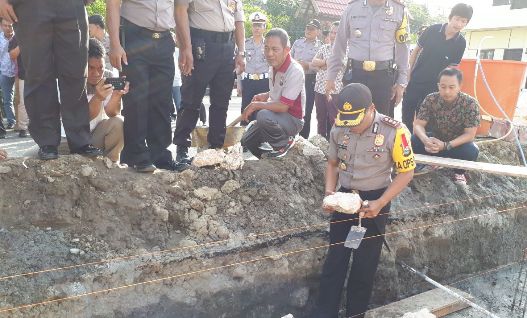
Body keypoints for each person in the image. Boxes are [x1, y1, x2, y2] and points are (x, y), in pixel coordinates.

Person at [314, 83, 415, 318]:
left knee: (364, 264)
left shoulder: (395, 131)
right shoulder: (341, 126)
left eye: (357, 120)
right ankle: (325, 313)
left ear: (371, 109)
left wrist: (380, 203)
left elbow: (406, 172)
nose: (353, 127)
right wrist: (330, 195)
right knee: (335, 259)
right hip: (344, 197)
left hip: (375, 201)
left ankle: (355, 313)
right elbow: (332, 164)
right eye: (347, 120)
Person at [0, 0, 102, 160]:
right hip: (30, 6)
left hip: (71, 6)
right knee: (38, 73)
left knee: (75, 72)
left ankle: (80, 141)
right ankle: (47, 142)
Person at [173, 0, 246, 170]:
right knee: (191, 101)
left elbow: (238, 20)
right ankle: (182, 149)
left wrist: (241, 52)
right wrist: (186, 48)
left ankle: (216, 148)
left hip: (227, 46)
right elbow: (180, 10)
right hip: (200, 44)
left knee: (221, 102)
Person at [107, 0, 177, 172]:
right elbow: (113, 4)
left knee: (162, 101)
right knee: (137, 100)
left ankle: (160, 155)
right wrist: (115, 44)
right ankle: (136, 155)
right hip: (134, 35)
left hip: (164, 38)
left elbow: (181, 9)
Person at [326, 0, 410, 118]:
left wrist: (401, 83)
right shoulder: (352, 8)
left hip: (384, 78)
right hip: (355, 74)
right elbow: (339, 44)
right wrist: (331, 76)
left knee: (381, 121)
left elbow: (403, 49)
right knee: (351, 118)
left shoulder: (399, 10)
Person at [402, 3, 473, 132]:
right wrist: (407, 75)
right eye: (457, 19)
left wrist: (445, 88)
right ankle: (405, 143)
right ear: (450, 17)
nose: (459, 24)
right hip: (415, 80)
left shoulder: (461, 43)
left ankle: (420, 145)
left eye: (463, 21)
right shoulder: (432, 30)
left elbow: (451, 69)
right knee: (407, 113)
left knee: (425, 119)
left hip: (434, 87)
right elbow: (415, 51)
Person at [240, 28, 304, 159]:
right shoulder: (273, 66)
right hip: (277, 116)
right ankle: (267, 159)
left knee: (262, 115)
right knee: (247, 140)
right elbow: (278, 90)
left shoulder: (294, 70)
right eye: (266, 48)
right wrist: (266, 95)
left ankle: (283, 145)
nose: (269, 53)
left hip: (292, 119)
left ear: (287, 50)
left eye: (275, 49)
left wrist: (256, 105)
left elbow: (283, 106)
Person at [412, 67, 480, 185]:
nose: (447, 91)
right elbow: (418, 125)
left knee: (472, 151)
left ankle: (459, 172)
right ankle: (425, 163)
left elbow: (470, 134)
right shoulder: (431, 99)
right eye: (443, 87)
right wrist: (425, 140)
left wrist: (445, 146)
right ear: (438, 86)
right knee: (412, 140)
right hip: (434, 141)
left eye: (451, 87)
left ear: (460, 86)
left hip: (456, 145)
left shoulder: (470, 103)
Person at [86, 38, 126, 163]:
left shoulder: (108, 77)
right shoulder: (70, 79)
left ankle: (111, 164)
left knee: (118, 121)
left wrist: (116, 96)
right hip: (68, 139)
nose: (97, 73)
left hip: (96, 137)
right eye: (91, 68)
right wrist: (98, 98)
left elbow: (113, 114)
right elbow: (82, 118)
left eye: (100, 68)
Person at [291, 19, 322, 139]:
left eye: (312, 29)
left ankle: (303, 139)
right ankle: (290, 137)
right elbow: (289, 58)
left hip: (310, 79)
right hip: (295, 78)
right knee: (290, 107)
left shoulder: (320, 46)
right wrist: (295, 63)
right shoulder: (297, 43)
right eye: (307, 28)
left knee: (306, 110)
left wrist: (308, 65)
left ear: (318, 32)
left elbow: (321, 67)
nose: (309, 31)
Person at [311, 21, 342, 140]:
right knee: (320, 118)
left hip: (335, 91)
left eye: (336, 33)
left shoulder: (345, 50)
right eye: (332, 32)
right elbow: (313, 63)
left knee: (334, 119)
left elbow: (336, 65)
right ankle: (321, 144)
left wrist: (323, 64)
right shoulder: (324, 47)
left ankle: (334, 146)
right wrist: (325, 63)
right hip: (319, 89)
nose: (333, 35)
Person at [240, 11, 269, 126]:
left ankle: (261, 136)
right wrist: (239, 83)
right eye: (255, 25)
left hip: (264, 81)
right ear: (252, 27)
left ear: (264, 28)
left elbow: (272, 65)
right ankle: (244, 136)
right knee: (246, 108)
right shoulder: (244, 44)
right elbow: (240, 64)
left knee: (262, 110)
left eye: (260, 25)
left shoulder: (268, 44)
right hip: (248, 81)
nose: (257, 28)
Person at [8, 32, 29, 138]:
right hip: (24, 74)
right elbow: (12, 55)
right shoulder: (17, 37)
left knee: (42, 101)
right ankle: (23, 128)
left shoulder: (41, 31)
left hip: (42, 74)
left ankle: (41, 126)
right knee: (23, 103)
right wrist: (23, 43)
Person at [0, 18, 16, 130]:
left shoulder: (19, 37)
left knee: (23, 100)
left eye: (10, 26)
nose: (7, 28)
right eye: (5, 25)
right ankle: (11, 121)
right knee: (7, 99)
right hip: (5, 71)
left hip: (20, 72)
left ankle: (24, 124)